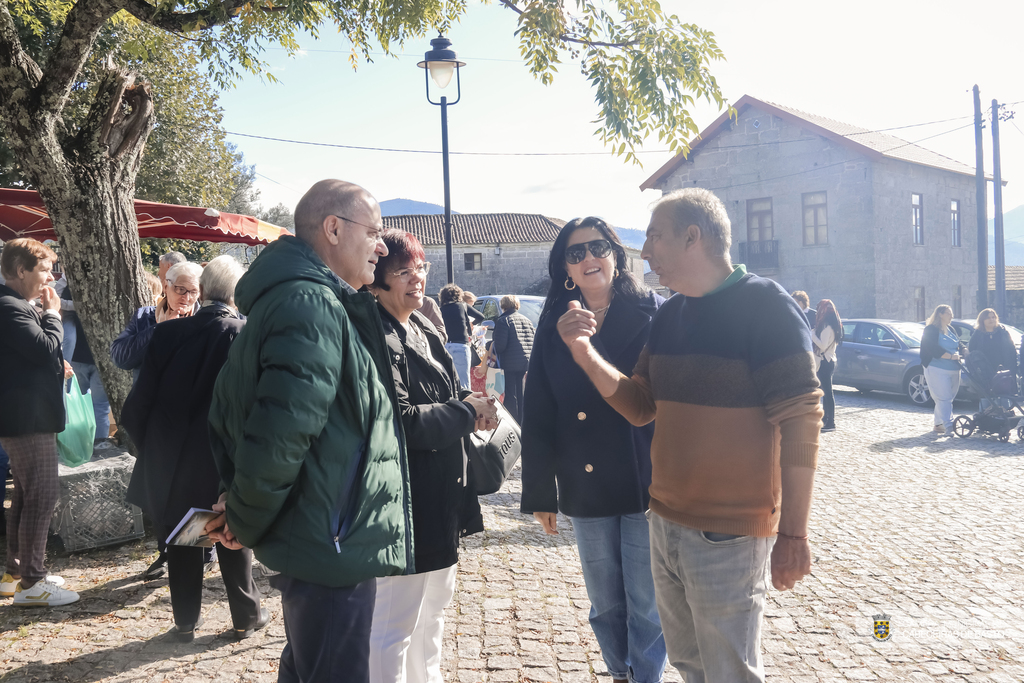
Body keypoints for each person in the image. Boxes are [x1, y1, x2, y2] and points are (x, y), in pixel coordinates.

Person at [558, 188, 822, 682]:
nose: (645, 250)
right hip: (664, 522)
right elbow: (640, 406)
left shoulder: (767, 306)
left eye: (655, 236)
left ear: (692, 237)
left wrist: (794, 533)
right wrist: (583, 352)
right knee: (690, 664)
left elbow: (802, 418)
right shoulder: (671, 314)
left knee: (729, 673)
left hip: (728, 533)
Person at [207, 179, 413, 683]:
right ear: (334, 229)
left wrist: (242, 509)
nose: (383, 246)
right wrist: (244, 517)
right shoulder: (311, 305)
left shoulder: (312, 301)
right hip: (328, 544)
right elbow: (280, 435)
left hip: (324, 537)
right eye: (376, 231)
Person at [521, 216, 667, 683]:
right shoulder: (553, 325)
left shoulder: (653, 312)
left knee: (646, 601)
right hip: (586, 482)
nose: (588, 258)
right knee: (605, 601)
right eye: (575, 252)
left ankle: (646, 677)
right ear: (565, 268)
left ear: (616, 257)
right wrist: (542, 491)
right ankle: (618, 673)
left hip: (645, 474)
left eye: (598, 247)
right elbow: (539, 410)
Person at [368, 229, 496, 683]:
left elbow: (447, 391)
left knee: (434, 611)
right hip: (405, 501)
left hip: (444, 493)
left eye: (419, 268)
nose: (416, 278)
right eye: (403, 271)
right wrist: (465, 410)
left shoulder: (422, 325)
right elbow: (401, 421)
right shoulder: (376, 334)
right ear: (376, 280)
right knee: (394, 624)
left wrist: (476, 405)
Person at [121, 256, 266, 642]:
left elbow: (137, 405)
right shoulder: (244, 333)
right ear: (236, 293)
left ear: (202, 291)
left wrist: (150, 448)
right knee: (230, 532)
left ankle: (185, 619)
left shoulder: (167, 333)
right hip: (224, 456)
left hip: (172, 456)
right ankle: (245, 616)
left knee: (182, 534)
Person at [0, 238, 80, 607]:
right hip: (26, 419)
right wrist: (53, 314)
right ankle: (33, 582)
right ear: (21, 270)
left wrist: (52, 365)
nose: (51, 277)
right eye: (45, 269)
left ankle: (16, 573)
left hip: (24, 415)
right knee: (42, 494)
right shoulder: (10, 306)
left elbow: (31, 356)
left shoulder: (13, 305)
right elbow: (43, 346)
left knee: (27, 494)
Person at [111, 262, 201, 384]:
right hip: (146, 399)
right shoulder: (144, 316)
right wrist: (160, 329)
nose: (187, 297)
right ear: (166, 287)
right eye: (181, 289)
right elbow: (120, 359)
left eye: (194, 292)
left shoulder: (204, 322)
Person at [491, 295, 535, 423]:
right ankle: (523, 421)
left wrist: (490, 345)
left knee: (511, 395)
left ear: (503, 305)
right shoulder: (527, 320)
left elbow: (500, 346)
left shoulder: (503, 321)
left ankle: (512, 421)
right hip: (525, 361)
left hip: (510, 362)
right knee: (521, 394)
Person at [921, 305, 964, 435]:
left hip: (954, 368)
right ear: (940, 314)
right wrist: (951, 356)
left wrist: (964, 350)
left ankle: (938, 424)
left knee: (947, 398)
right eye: (948, 313)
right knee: (944, 398)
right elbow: (932, 348)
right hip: (936, 368)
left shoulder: (950, 329)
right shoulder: (930, 330)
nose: (951, 316)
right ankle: (949, 425)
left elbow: (958, 343)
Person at [968, 308, 1015, 410]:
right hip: (984, 370)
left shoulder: (1002, 332)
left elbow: (1011, 350)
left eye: (993, 317)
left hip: (1002, 369)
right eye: (988, 317)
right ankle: (986, 419)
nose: (991, 319)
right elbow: (971, 351)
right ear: (982, 320)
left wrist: (1012, 368)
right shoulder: (977, 334)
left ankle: (1004, 417)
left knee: (1003, 395)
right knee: (986, 395)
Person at [439, 283, 484, 389]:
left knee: (449, 381)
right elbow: (480, 316)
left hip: (445, 346)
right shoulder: (462, 305)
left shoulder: (441, 310)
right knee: (464, 382)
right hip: (461, 345)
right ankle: (465, 404)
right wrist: (471, 325)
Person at [812, 300, 842, 433]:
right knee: (826, 393)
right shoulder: (833, 326)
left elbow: (822, 345)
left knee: (828, 393)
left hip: (825, 361)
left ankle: (831, 422)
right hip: (828, 361)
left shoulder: (827, 327)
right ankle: (826, 420)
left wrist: (812, 334)